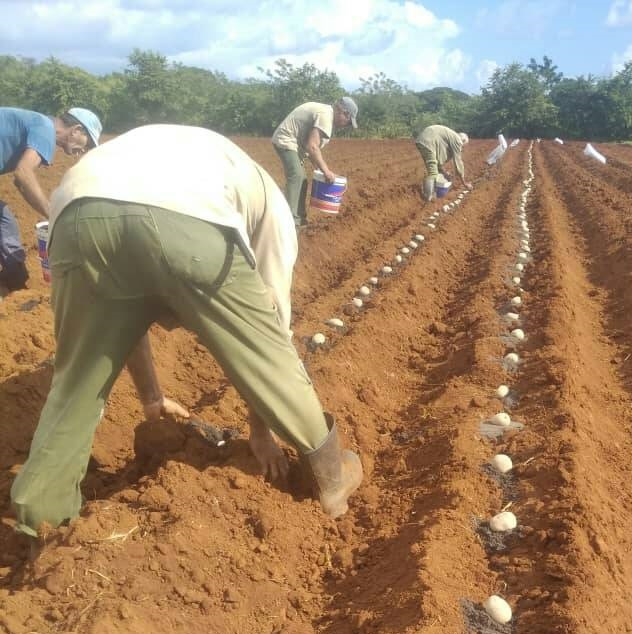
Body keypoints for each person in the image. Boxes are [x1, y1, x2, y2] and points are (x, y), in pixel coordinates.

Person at [10, 124, 363, 539]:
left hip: (73, 216)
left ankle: (39, 521)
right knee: (270, 355)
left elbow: (125, 319)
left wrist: (152, 398)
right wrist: (260, 434)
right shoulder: (271, 204)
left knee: (75, 387)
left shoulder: (158, 148)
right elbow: (270, 333)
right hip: (184, 216)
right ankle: (330, 479)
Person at [0, 107, 102, 293]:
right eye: (86, 145)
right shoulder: (46, 129)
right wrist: (55, 216)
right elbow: (23, 174)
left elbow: (19, 181)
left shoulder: (39, 124)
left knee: (4, 222)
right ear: (76, 130)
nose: (82, 151)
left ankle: (14, 279)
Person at [272, 97, 358, 227]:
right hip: (286, 139)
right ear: (343, 112)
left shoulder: (326, 115)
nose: (346, 125)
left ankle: (299, 219)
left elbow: (310, 148)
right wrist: (326, 171)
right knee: (297, 176)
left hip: (296, 145)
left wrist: (320, 169)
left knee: (302, 180)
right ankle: (289, 221)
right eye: (348, 121)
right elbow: (312, 146)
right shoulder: (325, 116)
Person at [415, 124, 473, 202]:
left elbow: (438, 159)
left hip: (422, 140)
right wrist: (464, 182)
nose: (461, 149)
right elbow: (458, 162)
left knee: (433, 166)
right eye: (463, 147)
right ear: (463, 141)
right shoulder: (458, 141)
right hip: (428, 142)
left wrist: (444, 172)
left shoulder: (452, 136)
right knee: (433, 172)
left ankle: (429, 189)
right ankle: (428, 198)